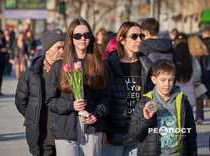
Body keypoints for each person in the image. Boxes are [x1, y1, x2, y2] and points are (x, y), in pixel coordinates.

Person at [46, 18, 110, 156]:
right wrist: (71, 105)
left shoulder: (100, 65)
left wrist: (97, 114)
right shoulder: (59, 66)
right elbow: (51, 101)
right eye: (77, 35)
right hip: (66, 129)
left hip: (92, 128)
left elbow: (106, 97)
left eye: (87, 35)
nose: (83, 39)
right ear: (71, 38)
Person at [102, 21, 153, 156]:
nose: (139, 40)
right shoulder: (108, 65)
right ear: (122, 40)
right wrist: (101, 129)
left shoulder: (146, 65)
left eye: (141, 36)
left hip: (138, 127)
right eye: (134, 36)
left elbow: (151, 98)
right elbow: (103, 98)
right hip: (113, 129)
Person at [129, 59, 197, 155]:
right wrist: (145, 119)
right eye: (163, 80)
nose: (167, 84)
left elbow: (191, 135)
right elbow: (135, 135)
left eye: (170, 80)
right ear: (154, 80)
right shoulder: (144, 102)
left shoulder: (183, 101)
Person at [15, 29, 65, 156]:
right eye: (58, 48)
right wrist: (33, 116)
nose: (62, 52)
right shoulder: (32, 74)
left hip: (64, 135)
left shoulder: (68, 71)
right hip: (42, 138)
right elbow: (21, 101)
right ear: (47, 50)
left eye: (64, 47)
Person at [188, 34, 209, 124]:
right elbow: (205, 66)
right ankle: (199, 117)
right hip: (200, 77)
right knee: (199, 97)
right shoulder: (203, 52)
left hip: (191, 77)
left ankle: (190, 116)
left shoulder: (189, 54)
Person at [175, 42, 201, 110]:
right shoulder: (192, 60)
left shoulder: (173, 59)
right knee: (189, 119)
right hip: (190, 95)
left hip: (175, 95)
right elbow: (198, 72)